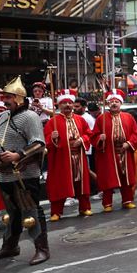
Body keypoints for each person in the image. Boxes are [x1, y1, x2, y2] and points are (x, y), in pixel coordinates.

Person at [0, 76, 49, 265]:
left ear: (18, 98)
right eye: (3, 97)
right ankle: (10, 246)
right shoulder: (3, 116)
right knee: (11, 214)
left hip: (23, 174)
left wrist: (17, 155)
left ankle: (42, 249)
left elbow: (38, 144)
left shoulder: (30, 116)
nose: (4, 100)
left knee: (31, 211)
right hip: (4, 173)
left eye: (8, 97)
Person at [44, 89, 93, 220]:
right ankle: (56, 212)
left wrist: (82, 140)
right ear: (59, 105)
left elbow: (88, 134)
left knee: (82, 183)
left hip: (79, 157)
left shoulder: (80, 120)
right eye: (64, 103)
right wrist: (52, 138)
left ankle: (85, 208)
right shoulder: (52, 122)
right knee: (60, 183)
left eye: (70, 103)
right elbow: (45, 141)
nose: (67, 105)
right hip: (62, 158)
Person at [92, 89, 137, 212]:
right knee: (108, 179)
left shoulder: (128, 117)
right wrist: (100, 139)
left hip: (125, 152)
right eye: (112, 101)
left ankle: (127, 201)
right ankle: (107, 203)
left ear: (120, 103)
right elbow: (93, 136)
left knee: (126, 178)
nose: (114, 104)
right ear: (108, 104)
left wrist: (129, 143)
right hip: (109, 153)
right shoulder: (101, 119)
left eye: (116, 101)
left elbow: (135, 133)